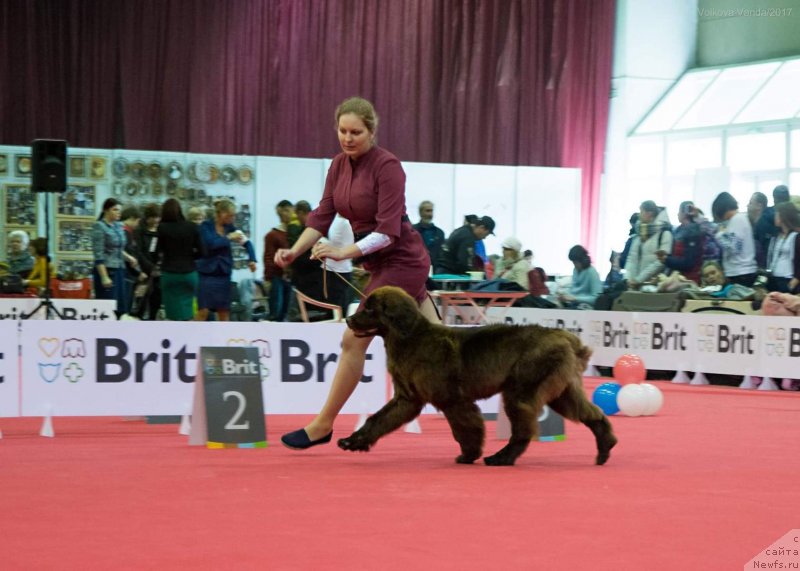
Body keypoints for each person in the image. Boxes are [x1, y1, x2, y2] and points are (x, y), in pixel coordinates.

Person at [275, 96, 438, 450]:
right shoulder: (337, 165)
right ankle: (487, 396)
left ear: (372, 131)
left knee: (353, 339)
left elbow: (388, 232)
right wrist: (294, 251)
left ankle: (322, 425)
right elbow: (322, 216)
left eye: (356, 132)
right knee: (442, 346)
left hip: (403, 260)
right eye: (342, 131)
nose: (348, 138)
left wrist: (342, 252)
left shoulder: (388, 166)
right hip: (377, 263)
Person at [196, 199, 257, 321]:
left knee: (224, 312)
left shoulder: (231, 228)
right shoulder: (205, 226)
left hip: (224, 275)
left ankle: (224, 334)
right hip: (206, 274)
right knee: (203, 311)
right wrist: (228, 237)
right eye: (231, 215)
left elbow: (247, 243)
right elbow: (210, 244)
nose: (233, 219)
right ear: (222, 214)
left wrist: (252, 259)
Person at [157, 198, 204, 321]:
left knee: (171, 313)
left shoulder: (162, 228)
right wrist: (190, 257)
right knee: (188, 311)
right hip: (189, 273)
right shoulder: (192, 227)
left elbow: (157, 252)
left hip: (170, 273)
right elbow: (203, 252)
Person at [92, 198, 138, 316]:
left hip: (120, 269)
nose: (118, 213)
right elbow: (98, 254)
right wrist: (104, 276)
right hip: (107, 270)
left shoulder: (118, 226)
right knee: (107, 307)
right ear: (106, 210)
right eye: (115, 209)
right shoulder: (99, 226)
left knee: (121, 306)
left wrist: (129, 258)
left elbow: (117, 249)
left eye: (119, 210)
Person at [712, 191, 758, 287]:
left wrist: (720, 235)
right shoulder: (739, 219)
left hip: (740, 272)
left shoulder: (737, 220)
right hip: (741, 271)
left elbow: (734, 248)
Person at [625, 200, 672, 289]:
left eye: (641, 211)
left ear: (649, 213)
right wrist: (627, 279)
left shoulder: (665, 234)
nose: (639, 215)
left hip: (653, 286)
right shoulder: (639, 233)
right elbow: (631, 258)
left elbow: (660, 262)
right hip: (634, 285)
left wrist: (639, 279)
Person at [657, 201, 704, 284]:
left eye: (679, 211)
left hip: (689, 280)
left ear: (684, 213)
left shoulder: (693, 230)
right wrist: (667, 257)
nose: (677, 214)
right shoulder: (679, 230)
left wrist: (667, 259)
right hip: (678, 278)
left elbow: (689, 262)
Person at [263, 200, 294, 322]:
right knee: (276, 311)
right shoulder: (272, 235)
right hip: (277, 277)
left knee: (286, 311)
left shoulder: (294, 234)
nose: (290, 214)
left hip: (291, 277)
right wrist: (268, 278)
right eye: (288, 211)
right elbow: (268, 257)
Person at [764, 201, 800, 293]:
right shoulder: (776, 235)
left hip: (787, 279)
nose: (775, 216)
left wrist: (792, 284)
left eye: (777, 214)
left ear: (784, 216)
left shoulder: (796, 236)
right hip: (774, 278)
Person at [134, 203, 162, 320]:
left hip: (158, 273)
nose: (156, 220)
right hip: (143, 272)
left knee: (156, 301)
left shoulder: (160, 231)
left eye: (158, 217)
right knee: (141, 300)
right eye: (153, 217)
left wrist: (158, 266)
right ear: (147, 217)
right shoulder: (139, 231)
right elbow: (138, 252)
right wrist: (150, 268)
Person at [121, 205, 147, 315]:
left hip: (128, 273)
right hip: (127, 274)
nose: (138, 225)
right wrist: (138, 272)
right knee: (126, 305)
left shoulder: (128, 232)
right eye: (137, 221)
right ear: (132, 218)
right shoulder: (125, 233)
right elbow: (130, 256)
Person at [412, 200, 445, 266]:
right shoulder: (412, 231)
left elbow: (441, 255)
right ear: (420, 212)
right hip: (416, 267)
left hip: (434, 268)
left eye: (431, 211)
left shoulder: (440, 233)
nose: (430, 214)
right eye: (427, 211)